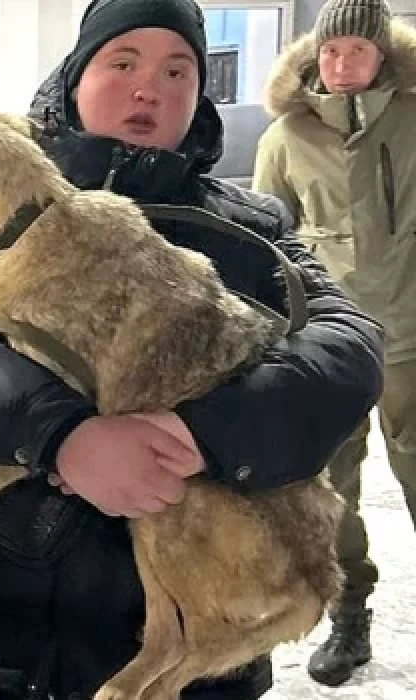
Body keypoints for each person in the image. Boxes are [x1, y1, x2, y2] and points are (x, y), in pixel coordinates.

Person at [0, 1, 385, 699]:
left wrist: (207, 433)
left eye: (178, 70)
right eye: (123, 63)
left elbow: (349, 345)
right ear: (75, 78)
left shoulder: (248, 229)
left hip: (188, 656)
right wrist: (61, 435)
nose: (150, 87)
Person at [252, 0, 416, 686]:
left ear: (384, 55)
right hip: (330, 348)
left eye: (356, 51)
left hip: (412, 334)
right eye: (330, 52)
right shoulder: (286, 136)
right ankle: (352, 614)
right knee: (333, 488)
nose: (342, 64)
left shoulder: (413, 121)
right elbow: (264, 247)